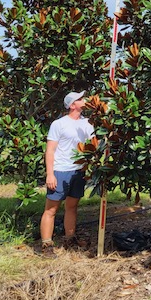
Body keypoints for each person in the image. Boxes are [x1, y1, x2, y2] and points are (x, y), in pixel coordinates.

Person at [39, 91, 94, 257]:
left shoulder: (88, 123)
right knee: (51, 209)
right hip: (60, 170)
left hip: (79, 171)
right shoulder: (59, 124)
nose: (84, 100)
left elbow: (95, 142)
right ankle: (46, 245)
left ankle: (70, 239)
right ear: (72, 105)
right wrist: (50, 174)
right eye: (80, 99)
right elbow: (50, 150)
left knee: (72, 206)